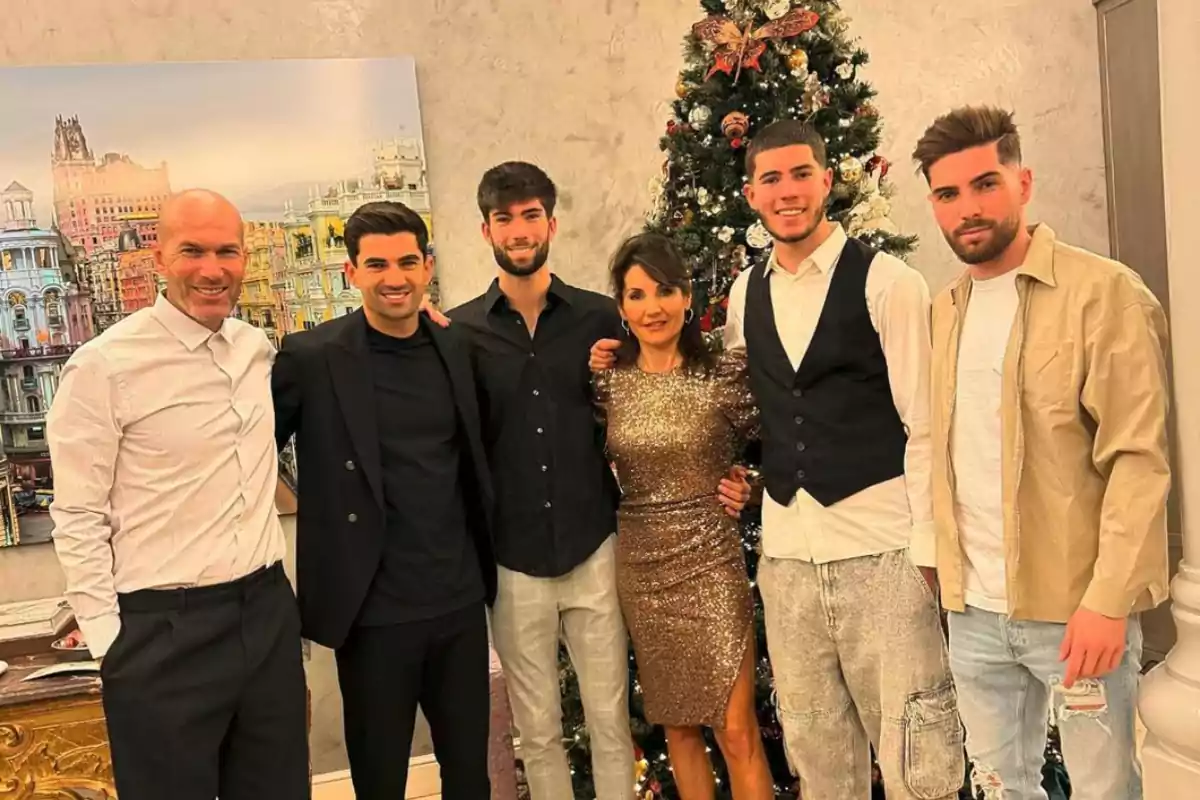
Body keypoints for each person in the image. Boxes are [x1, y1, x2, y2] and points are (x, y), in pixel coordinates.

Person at [592, 120, 965, 799]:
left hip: (881, 549)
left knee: (916, 747)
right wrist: (751, 478)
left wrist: (929, 549)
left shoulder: (890, 283)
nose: (787, 191)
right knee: (815, 747)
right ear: (750, 194)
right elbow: (754, 418)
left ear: (827, 180)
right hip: (788, 560)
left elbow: (926, 427)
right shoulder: (743, 293)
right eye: (771, 179)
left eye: (800, 174)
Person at [447, 162, 750, 800]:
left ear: (551, 224)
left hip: (597, 549)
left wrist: (736, 476)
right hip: (513, 559)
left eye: (532, 215)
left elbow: (671, 394)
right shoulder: (461, 334)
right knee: (538, 732)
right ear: (486, 230)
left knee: (613, 723)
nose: (520, 229)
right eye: (506, 218)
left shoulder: (598, 322)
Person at [913, 105, 1170, 799]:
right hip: (975, 614)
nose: (968, 208)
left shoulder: (1103, 294)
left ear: (1023, 183)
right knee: (1000, 787)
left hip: (1074, 610)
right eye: (947, 193)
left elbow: (1138, 460)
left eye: (985, 184)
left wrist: (1109, 601)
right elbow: (941, 444)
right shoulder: (946, 309)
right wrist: (939, 559)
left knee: (1103, 789)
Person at [46, 189, 309, 800]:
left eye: (227, 251)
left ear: (246, 258)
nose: (212, 269)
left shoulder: (254, 349)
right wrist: (113, 643)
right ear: (158, 256)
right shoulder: (103, 366)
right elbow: (77, 514)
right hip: (162, 633)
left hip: (266, 613)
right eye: (192, 250)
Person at [272, 201, 496, 800]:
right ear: (352, 272)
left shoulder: (458, 347)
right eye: (376, 264)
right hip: (371, 611)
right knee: (380, 778)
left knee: (470, 775)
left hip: (457, 600)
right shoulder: (312, 357)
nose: (393, 277)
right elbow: (250, 454)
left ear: (427, 267)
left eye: (406, 262)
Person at [594, 232, 772, 799]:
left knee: (736, 730)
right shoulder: (607, 382)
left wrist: (755, 488)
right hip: (643, 571)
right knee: (677, 730)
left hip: (712, 565)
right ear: (621, 306)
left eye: (665, 291)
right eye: (637, 295)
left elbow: (790, 448)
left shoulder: (723, 374)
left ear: (687, 296)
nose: (653, 308)